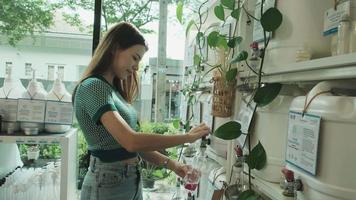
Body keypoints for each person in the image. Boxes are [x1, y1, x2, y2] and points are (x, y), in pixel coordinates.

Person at [73, 22, 210, 200]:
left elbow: (131, 147)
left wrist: (172, 165)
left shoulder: (112, 91)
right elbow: (131, 141)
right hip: (107, 183)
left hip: (129, 180)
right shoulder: (94, 87)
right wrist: (187, 137)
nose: (137, 67)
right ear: (114, 48)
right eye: (135, 57)